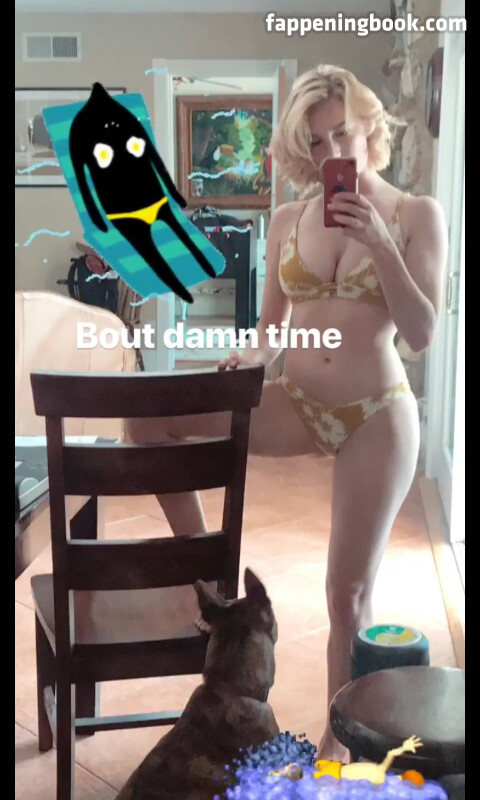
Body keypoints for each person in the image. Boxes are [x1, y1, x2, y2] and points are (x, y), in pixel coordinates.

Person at [124, 64, 448, 761]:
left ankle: (335, 750)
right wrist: (249, 355)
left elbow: (422, 333)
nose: (334, 154)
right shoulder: (286, 221)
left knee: (347, 595)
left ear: (369, 128)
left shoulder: (416, 215)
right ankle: (211, 579)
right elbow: (272, 328)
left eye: (343, 135)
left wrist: (380, 243)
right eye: (317, 143)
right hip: (297, 401)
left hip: (376, 414)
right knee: (149, 421)